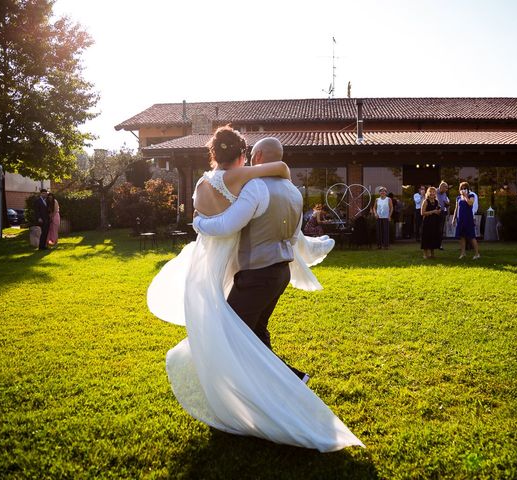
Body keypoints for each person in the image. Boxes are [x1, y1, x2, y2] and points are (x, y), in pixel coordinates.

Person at [147, 127, 361, 452]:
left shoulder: (255, 188)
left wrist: (198, 223)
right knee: (255, 331)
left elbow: (228, 225)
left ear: (256, 157)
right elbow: (294, 236)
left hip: (257, 274)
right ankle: (281, 382)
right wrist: (314, 247)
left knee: (230, 337)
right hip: (279, 272)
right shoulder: (292, 191)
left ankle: (275, 388)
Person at [452, 182, 480, 259]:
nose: (463, 190)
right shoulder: (458, 198)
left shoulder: (471, 195)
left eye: (465, 188)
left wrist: (465, 196)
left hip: (468, 219)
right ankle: (463, 253)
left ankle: (477, 254)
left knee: (471, 236)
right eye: (462, 188)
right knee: (462, 237)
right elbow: (456, 208)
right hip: (460, 219)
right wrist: (454, 218)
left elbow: (470, 203)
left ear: (468, 189)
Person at [420, 186, 442, 259]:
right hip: (427, 222)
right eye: (431, 192)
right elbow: (422, 213)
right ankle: (425, 254)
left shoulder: (436, 201)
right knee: (426, 237)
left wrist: (438, 211)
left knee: (433, 237)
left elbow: (438, 211)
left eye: (434, 192)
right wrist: (433, 211)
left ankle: (432, 254)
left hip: (435, 221)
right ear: (428, 193)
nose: (432, 193)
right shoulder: (425, 201)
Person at [436, 181, 450, 249]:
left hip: (442, 213)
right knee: (435, 229)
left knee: (441, 229)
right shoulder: (434, 192)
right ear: (441, 187)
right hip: (435, 213)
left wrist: (447, 203)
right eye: (446, 188)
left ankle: (439, 245)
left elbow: (447, 203)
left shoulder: (444, 193)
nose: (446, 190)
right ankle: (433, 244)